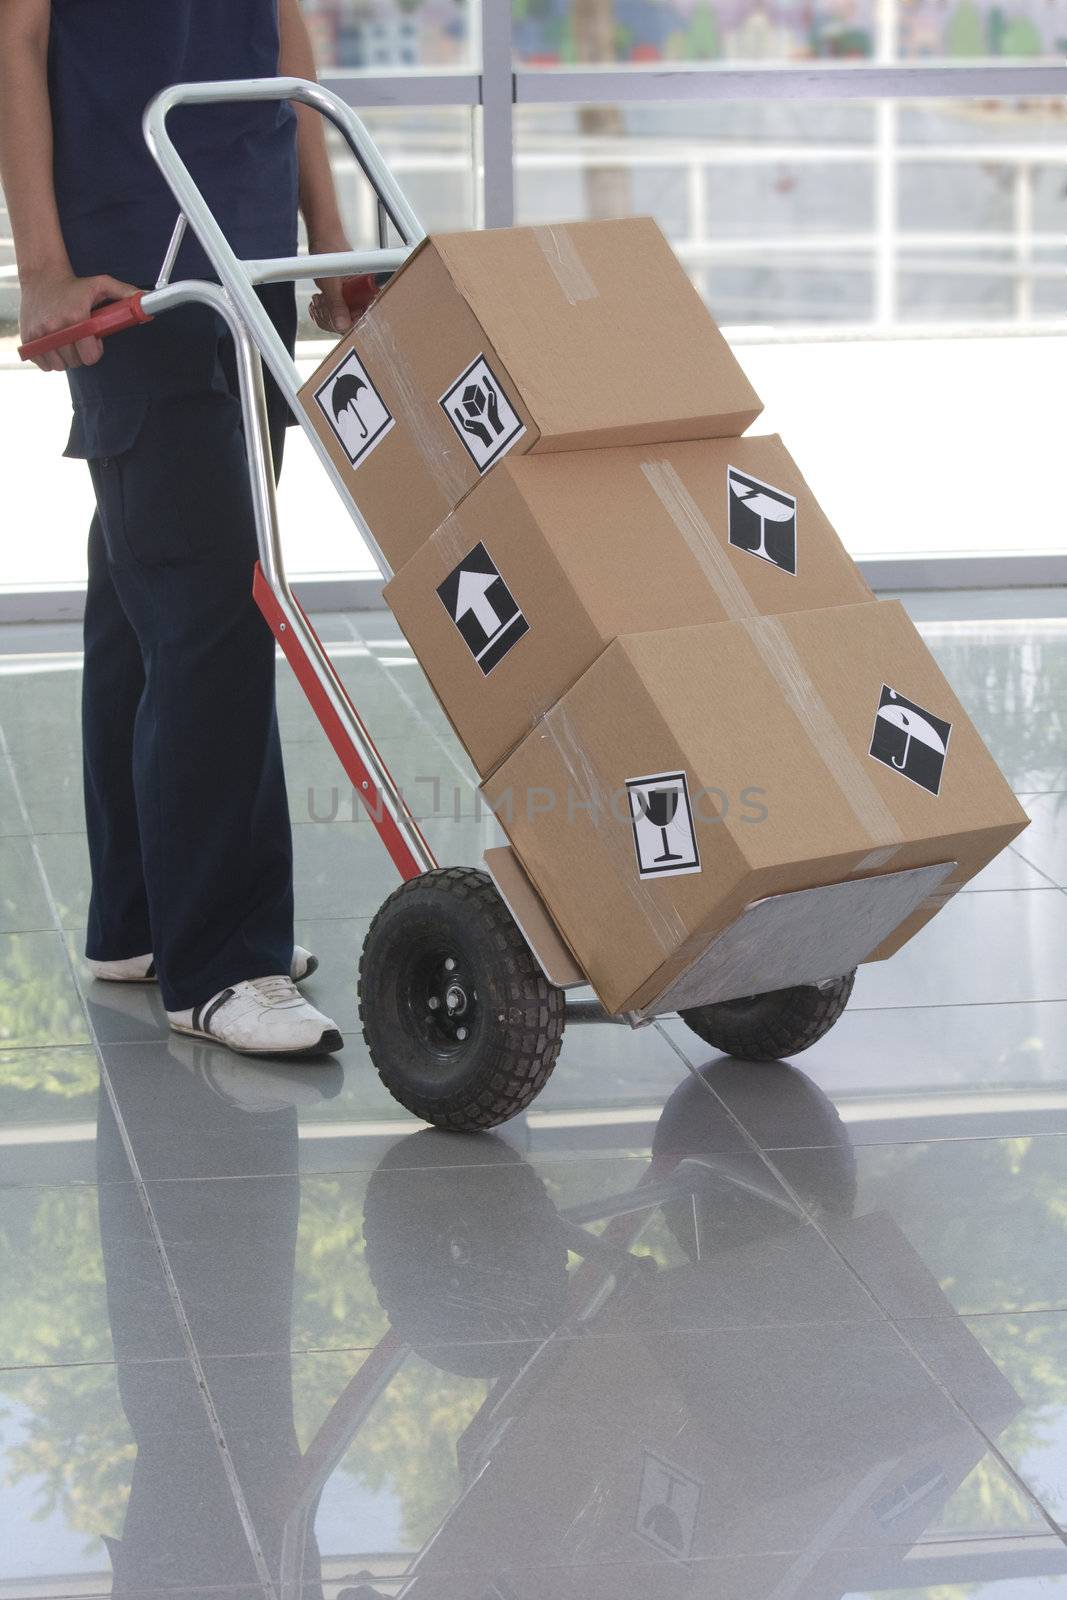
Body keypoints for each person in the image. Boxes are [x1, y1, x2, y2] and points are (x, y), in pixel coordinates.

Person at [0, 0, 353, 1057]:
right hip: (136, 268)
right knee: (214, 607)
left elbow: (283, 37)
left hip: (245, 248)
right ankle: (220, 961)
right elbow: (14, 37)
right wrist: (41, 268)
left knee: (147, 583)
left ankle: (144, 919)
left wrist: (328, 233)